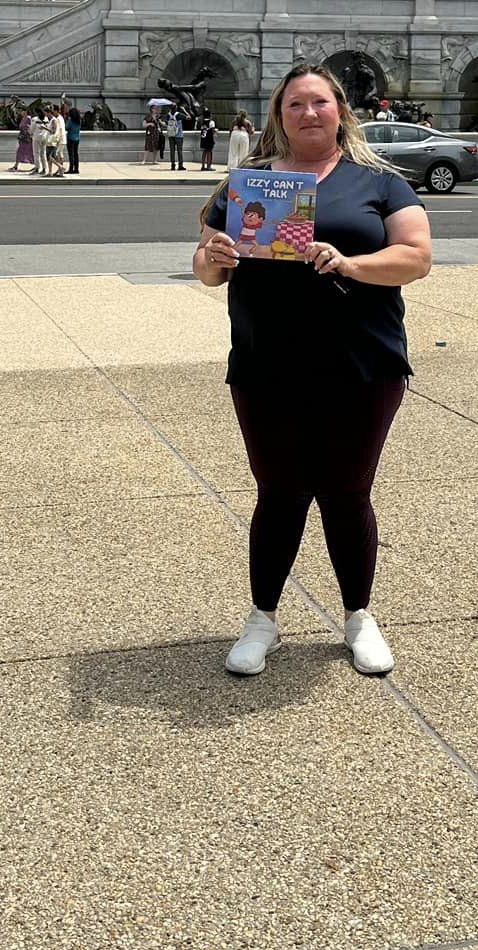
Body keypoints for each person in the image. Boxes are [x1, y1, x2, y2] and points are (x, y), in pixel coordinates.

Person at [194, 63, 433, 679]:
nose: (308, 113)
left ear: (340, 113)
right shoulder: (246, 184)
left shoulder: (377, 182)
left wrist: (350, 263)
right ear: (280, 115)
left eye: (319, 103)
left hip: (360, 362)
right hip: (267, 361)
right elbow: (206, 263)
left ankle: (358, 616)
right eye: (295, 103)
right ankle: (262, 619)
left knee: (347, 491)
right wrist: (213, 256)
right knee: (278, 492)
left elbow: (415, 256)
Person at [47, 107, 67, 176]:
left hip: (58, 139)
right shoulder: (59, 118)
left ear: (56, 111)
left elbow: (59, 130)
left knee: (56, 155)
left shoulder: (57, 119)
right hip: (59, 139)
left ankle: (61, 169)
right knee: (58, 155)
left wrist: (58, 139)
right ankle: (60, 170)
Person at [165, 107, 186, 171]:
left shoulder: (168, 115)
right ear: (176, 108)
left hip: (171, 135)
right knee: (179, 150)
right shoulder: (179, 114)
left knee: (172, 150)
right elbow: (189, 117)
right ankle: (180, 165)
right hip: (179, 135)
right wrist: (184, 110)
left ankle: (173, 165)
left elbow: (165, 122)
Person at [30, 107, 49, 176]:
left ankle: (37, 168)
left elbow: (31, 129)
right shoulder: (46, 118)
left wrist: (30, 134)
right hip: (44, 137)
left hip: (36, 137)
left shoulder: (34, 119)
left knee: (36, 153)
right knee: (43, 153)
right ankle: (44, 168)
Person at [65, 105, 82, 175]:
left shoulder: (70, 121)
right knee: (76, 154)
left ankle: (71, 168)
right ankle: (76, 168)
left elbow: (66, 127)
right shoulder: (79, 121)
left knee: (71, 154)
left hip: (70, 138)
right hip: (77, 138)